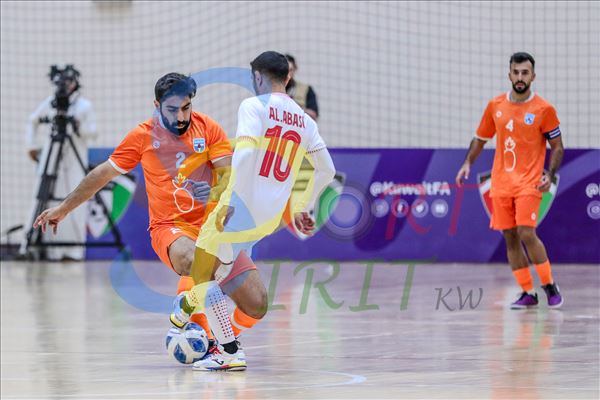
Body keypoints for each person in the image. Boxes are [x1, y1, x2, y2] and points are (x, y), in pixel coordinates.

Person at [33, 72, 269, 350]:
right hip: (171, 228)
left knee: (257, 303)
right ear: (157, 106)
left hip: (213, 227)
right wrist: (64, 208)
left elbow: (228, 175)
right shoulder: (143, 136)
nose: (180, 117)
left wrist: (219, 196)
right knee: (195, 260)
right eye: (172, 109)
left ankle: (213, 331)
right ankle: (218, 344)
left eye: (186, 108)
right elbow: (102, 174)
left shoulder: (208, 128)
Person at [171, 51, 336, 371]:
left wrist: (229, 202)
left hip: (241, 206)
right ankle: (187, 309)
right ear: (288, 77)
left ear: (257, 77)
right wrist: (303, 205)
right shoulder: (305, 120)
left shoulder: (253, 106)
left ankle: (228, 351)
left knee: (202, 272)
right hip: (269, 217)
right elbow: (326, 171)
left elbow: (245, 156)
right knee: (222, 264)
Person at [456, 52, 564, 309]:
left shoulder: (544, 109)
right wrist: (467, 162)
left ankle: (549, 285)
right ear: (509, 75)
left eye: (525, 73)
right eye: (516, 72)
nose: (520, 77)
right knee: (510, 237)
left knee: (526, 232)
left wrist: (549, 174)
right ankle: (528, 292)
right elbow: (480, 138)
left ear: (533, 76)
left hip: (530, 182)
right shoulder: (495, 105)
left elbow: (557, 146)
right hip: (502, 183)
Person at [25, 65, 97, 261]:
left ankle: (74, 251)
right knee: (45, 198)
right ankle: (48, 250)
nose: (65, 86)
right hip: (51, 156)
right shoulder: (50, 103)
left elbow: (93, 132)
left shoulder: (84, 106)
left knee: (76, 199)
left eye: (69, 81)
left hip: (75, 159)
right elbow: (33, 120)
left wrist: (78, 127)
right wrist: (31, 146)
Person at [285, 54, 319, 120]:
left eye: (290, 70)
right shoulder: (273, 89)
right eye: (285, 70)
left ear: (295, 68)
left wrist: (294, 107)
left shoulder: (306, 89)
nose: (288, 73)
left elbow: (313, 115)